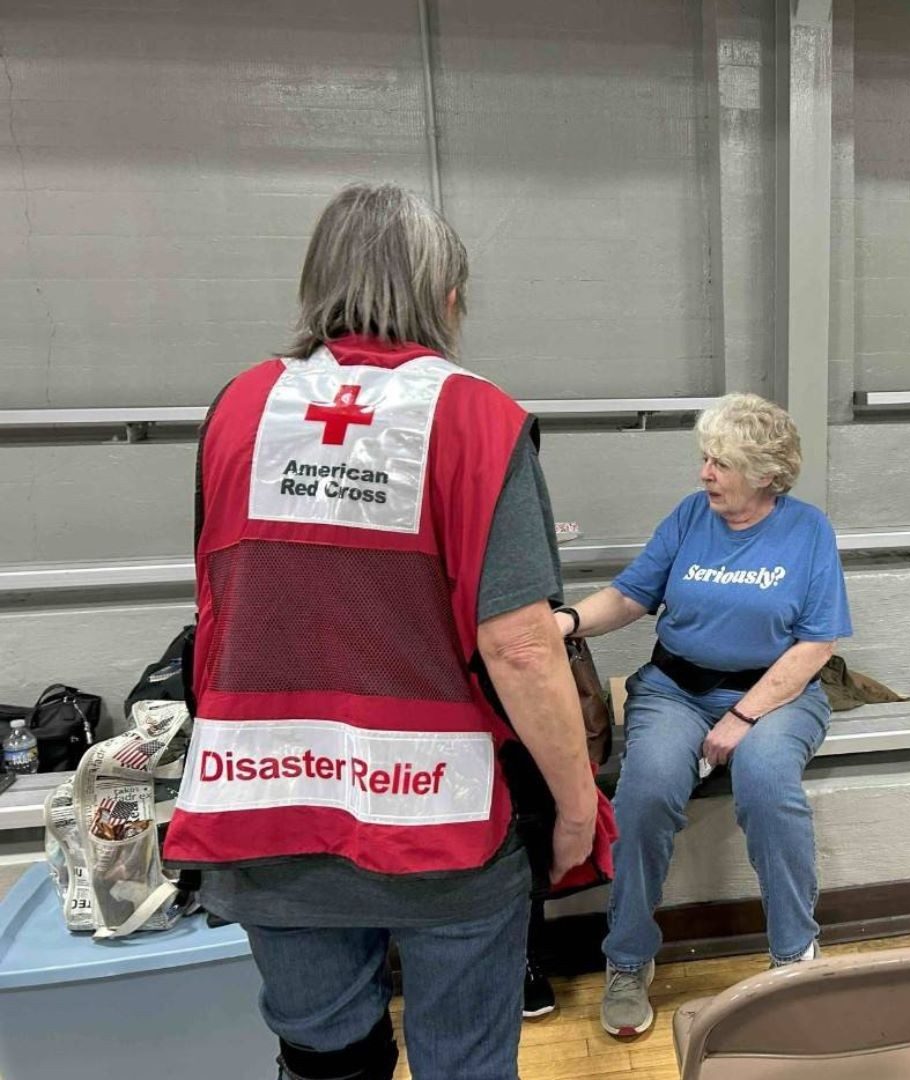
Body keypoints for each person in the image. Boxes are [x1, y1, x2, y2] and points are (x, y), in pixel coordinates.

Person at [163, 182, 606, 1080]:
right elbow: (521, 645)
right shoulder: (478, 419)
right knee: (465, 1063)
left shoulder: (239, 410)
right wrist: (575, 803)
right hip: (442, 821)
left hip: (266, 805)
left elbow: (226, 596)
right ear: (446, 298)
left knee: (326, 1062)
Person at [553, 393, 852, 1038]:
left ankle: (794, 958)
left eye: (722, 462)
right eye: (706, 458)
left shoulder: (807, 531)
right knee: (646, 792)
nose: (705, 473)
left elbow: (815, 645)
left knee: (769, 786)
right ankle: (628, 960)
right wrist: (567, 622)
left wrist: (743, 717)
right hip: (675, 688)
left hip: (777, 695)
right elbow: (631, 596)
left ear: (766, 473)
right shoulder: (691, 517)